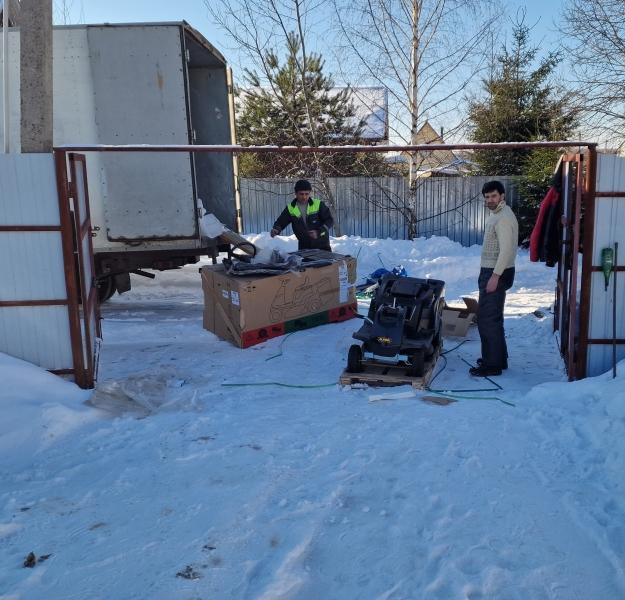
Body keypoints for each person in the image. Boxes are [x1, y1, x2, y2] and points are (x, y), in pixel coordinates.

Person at [470, 180, 518, 377]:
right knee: (493, 318)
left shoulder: (503, 218)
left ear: (502, 196)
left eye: (494, 196)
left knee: (487, 319)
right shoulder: (498, 214)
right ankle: (498, 359)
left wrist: (495, 276)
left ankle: (492, 365)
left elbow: (506, 250)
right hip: (493, 271)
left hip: (496, 272)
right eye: (487, 197)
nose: (490, 200)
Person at [270, 179, 333, 251]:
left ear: (310, 193)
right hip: (304, 246)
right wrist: (276, 229)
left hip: (322, 245)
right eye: (301, 194)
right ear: (296, 193)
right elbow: (281, 222)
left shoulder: (318, 204)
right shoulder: (291, 208)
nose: (304, 197)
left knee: (327, 262)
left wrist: (318, 232)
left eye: (307, 194)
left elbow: (330, 220)